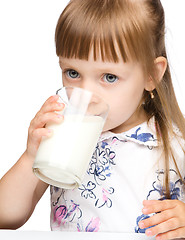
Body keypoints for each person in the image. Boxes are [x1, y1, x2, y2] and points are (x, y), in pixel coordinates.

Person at [0, 0, 185, 239]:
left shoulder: (175, 145)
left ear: (151, 75)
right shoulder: (60, 135)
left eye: (109, 77)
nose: (86, 96)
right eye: (73, 73)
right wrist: (31, 157)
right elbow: (6, 216)